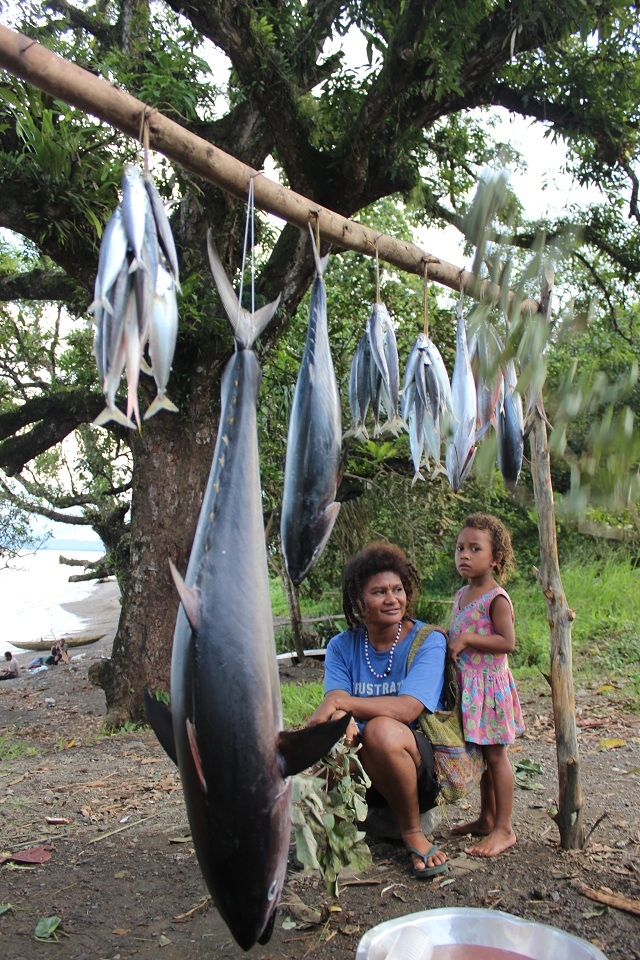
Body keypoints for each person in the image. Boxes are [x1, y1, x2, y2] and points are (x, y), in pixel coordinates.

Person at [309, 542, 448, 878]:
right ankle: (334, 830)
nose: (392, 599)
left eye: (397, 589)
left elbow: (407, 708)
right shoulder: (343, 645)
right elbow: (334, 701)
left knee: (382, 730)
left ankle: (413, 831)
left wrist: (344, 706)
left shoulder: (428, 641)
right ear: (359, 602)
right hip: (363, 774)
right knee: (320, 738)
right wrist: (341, 719)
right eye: (379, 592)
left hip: (415, 768)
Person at [448, 512, 525, 857]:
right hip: (471, 689)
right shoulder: (462, 594)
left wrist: (467, 637)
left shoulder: (496, 598)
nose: (464, 554)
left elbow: (508, 642)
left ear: (495, 558)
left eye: (475, 549)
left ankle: (504, 829)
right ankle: (486, 818)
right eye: (460, 547)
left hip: (490, 690)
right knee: (483, 755)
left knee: (497, 756)